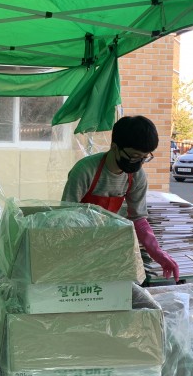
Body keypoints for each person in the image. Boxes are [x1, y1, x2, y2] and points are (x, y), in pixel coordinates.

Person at [61, 115, 179, 283]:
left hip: (107, 243)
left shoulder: (136, 176)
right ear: (114, 147)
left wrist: (157, 252)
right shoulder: (85, 170)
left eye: (144, 158)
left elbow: (138, 219)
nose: (139, 163)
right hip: (77, 243)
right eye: (134, 156)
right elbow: (66, 216)